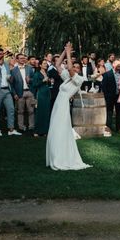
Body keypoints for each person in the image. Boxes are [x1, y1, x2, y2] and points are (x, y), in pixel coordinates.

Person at [46, 42, 91, 170]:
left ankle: (62, 157)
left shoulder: (79, 79)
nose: (75, 68)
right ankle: (55, 156)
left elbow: (70, 69)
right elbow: (57, 65)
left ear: (79, 69)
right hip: (58, 104)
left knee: (60, 129)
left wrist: (69, 53)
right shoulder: (67, 78)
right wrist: (64, 51)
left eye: (77, 66)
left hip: (64, 105)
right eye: (74, 65)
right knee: (54, 129)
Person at [10, 54, 36, 133]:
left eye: (24, 58)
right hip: (19, 93)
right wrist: (14, 94)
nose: (23, 59)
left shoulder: (29, 68)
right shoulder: (13, 70)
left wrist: (30, 80)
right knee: (20, 111)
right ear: (17, 60)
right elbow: (12, 84)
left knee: (31, 111)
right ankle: (21, 127)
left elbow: (34, 79)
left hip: (29, 92)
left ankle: (31, 127)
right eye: (20, 58)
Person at [101, 60, 120, 133]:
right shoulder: (107, 74)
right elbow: (104, 86)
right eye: (117, 64)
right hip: (110, 96)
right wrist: (107, 95)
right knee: (109, 112)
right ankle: (108, 127)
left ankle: (118, 128)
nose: (119, 65)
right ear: (113, 65)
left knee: (119, 112)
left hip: (119, 96)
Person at [31, 60, 52, 137]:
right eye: (44, 63)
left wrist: (49, 81)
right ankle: (37, 131)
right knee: (40, 112)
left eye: (46, 63)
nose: (46, 65)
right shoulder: (37, 74)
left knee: (46, 112)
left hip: (47, 93)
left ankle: (44, 131)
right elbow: (34, 84)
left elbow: (48, 83)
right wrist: (43, 80)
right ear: (40, 65)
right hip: (41, 94)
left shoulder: (47, 73)